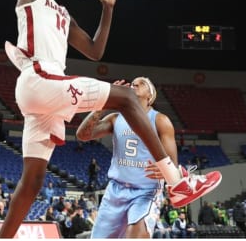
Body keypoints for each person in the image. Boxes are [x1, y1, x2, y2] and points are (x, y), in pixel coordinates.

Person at [0, 0, 221, 238]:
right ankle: (176, 181)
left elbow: (96, 51)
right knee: (128, 97)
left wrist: (107, 11)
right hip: (40, 78)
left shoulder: (63, 14)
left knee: (32, 181)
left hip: (45, 96)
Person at [76, 76, 179, 238]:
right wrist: (102, 104)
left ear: (150, 96)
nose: (134, 84)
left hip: (145, 191)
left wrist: (166, 171)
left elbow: (173, 164)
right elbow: (83, 135)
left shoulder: (160, 120)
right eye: (132, 83)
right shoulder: (115, 118)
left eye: (142, 84)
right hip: (116, 191)